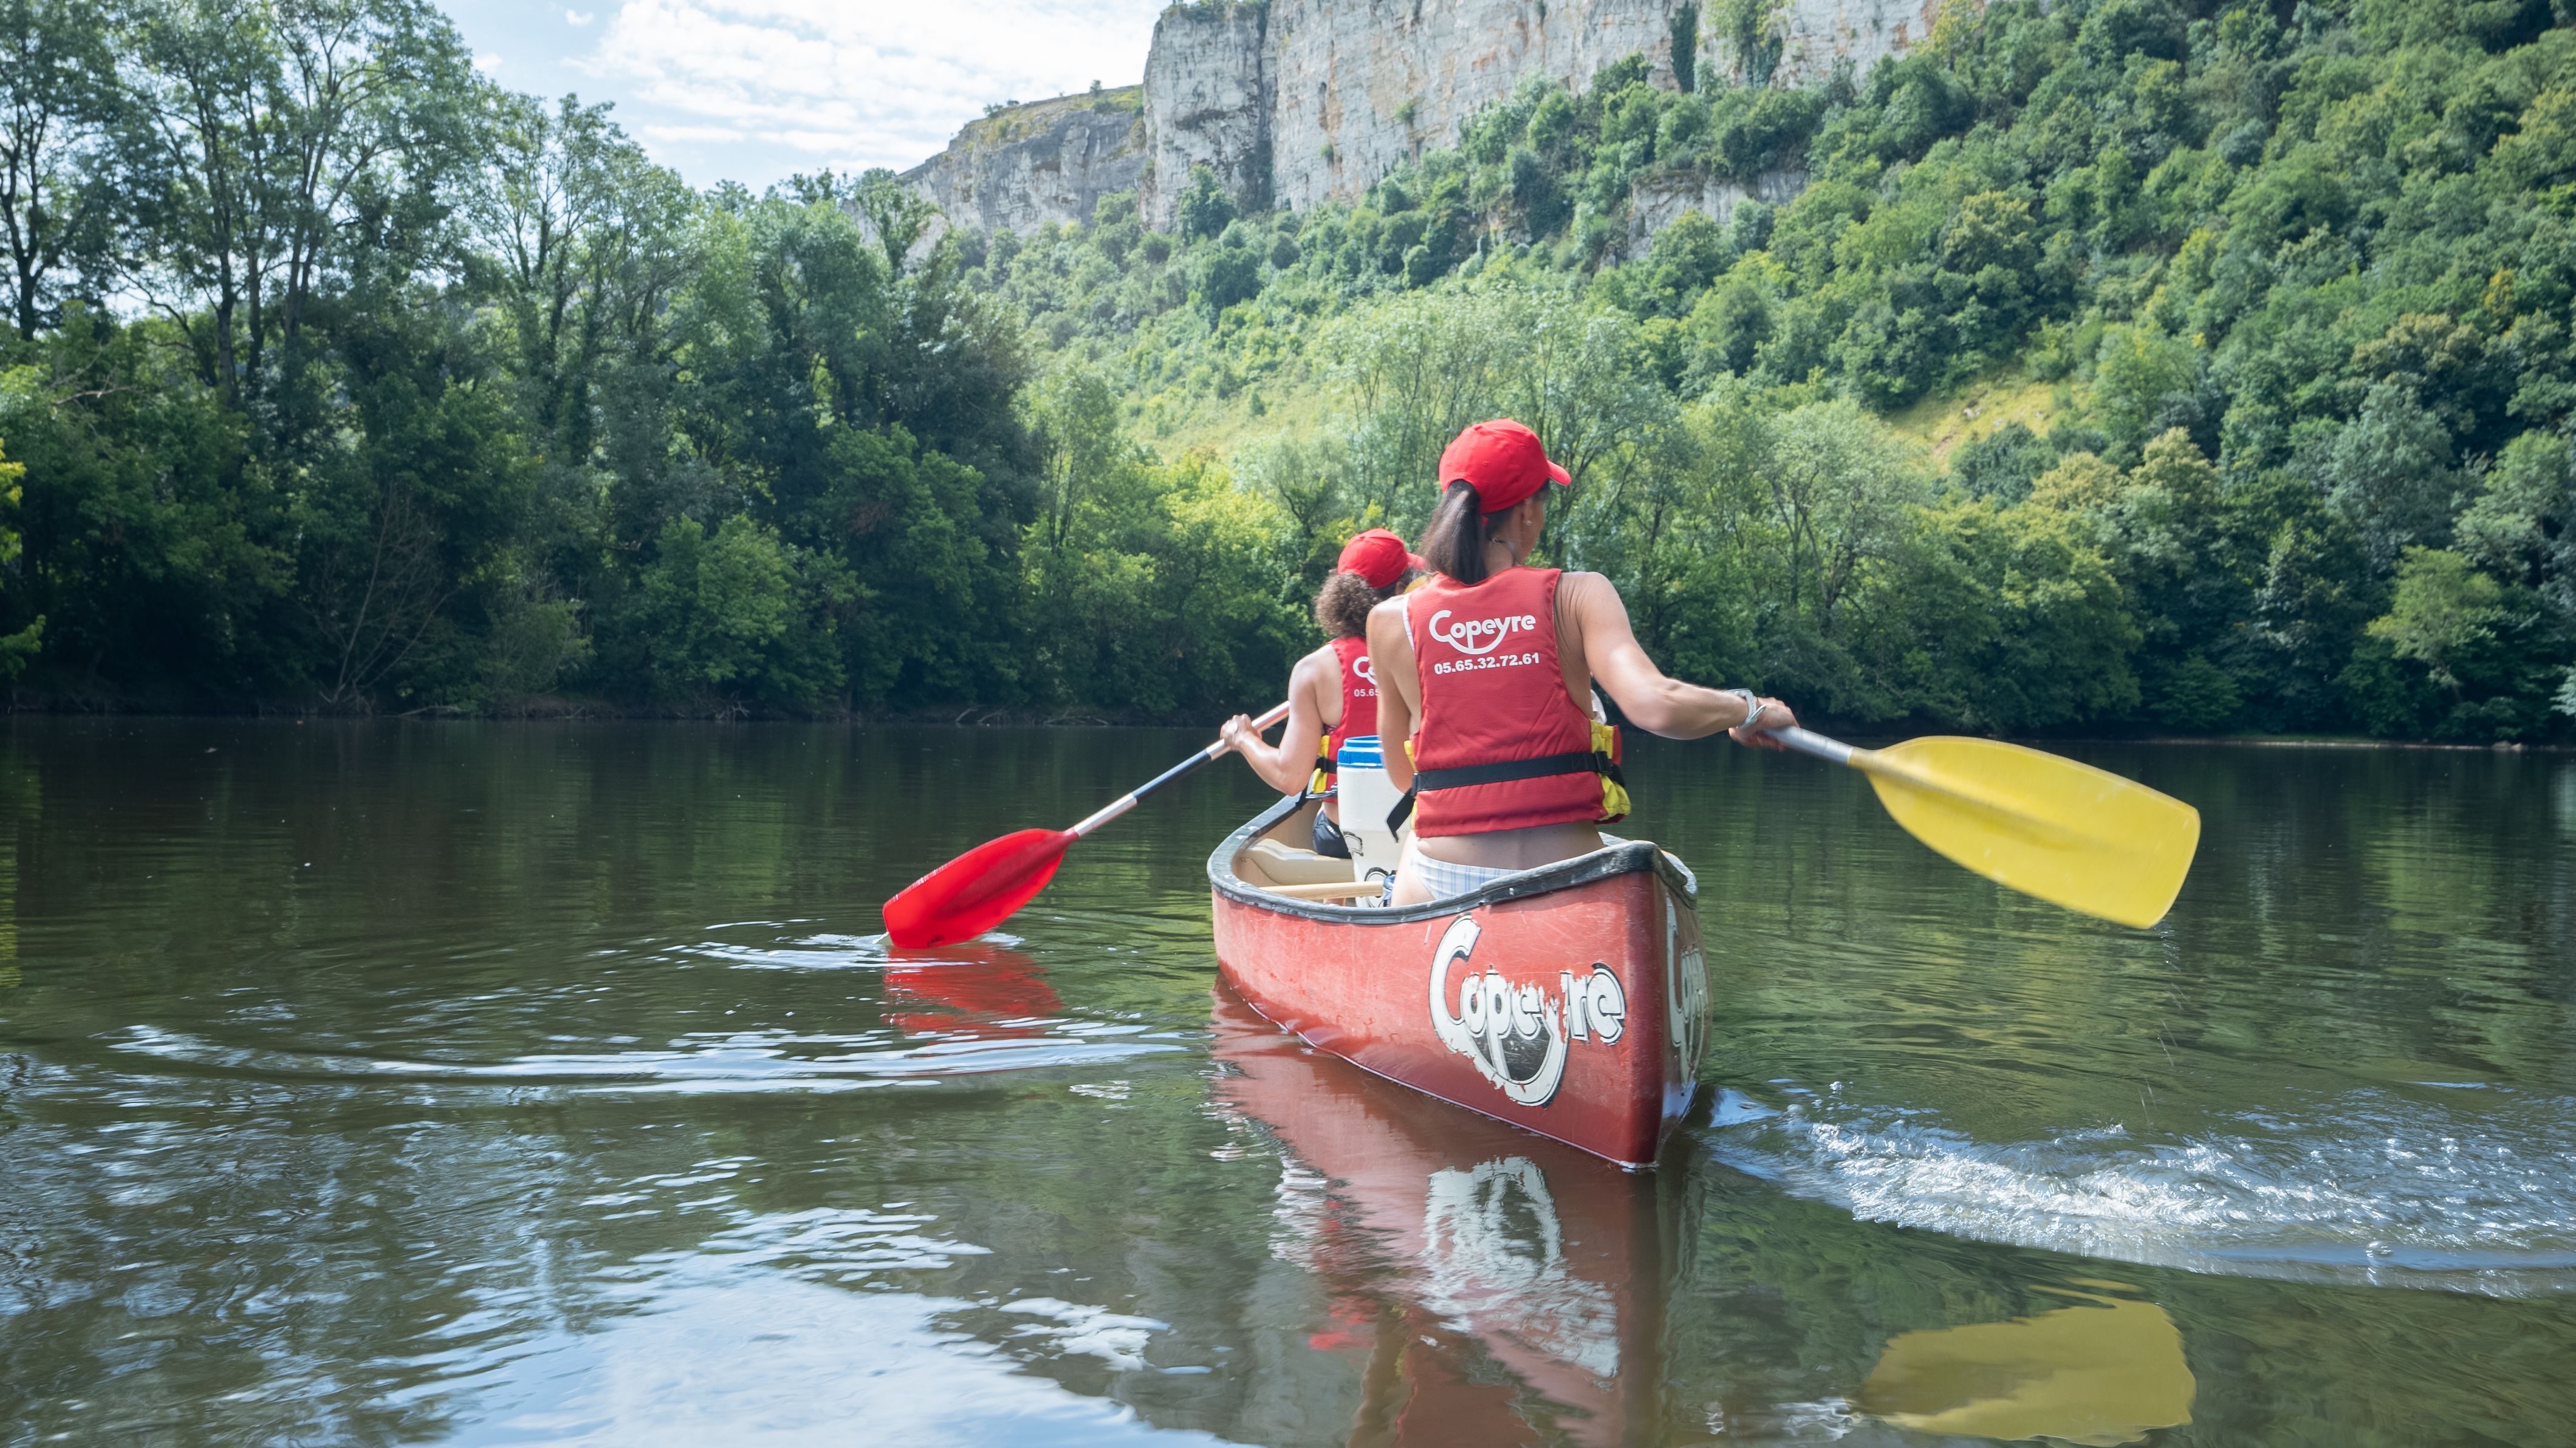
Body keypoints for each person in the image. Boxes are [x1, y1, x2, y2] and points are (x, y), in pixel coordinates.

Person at [1369, 419, 1798, 906]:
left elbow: (1403, 777)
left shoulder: (1390, 621)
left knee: (1406, 860)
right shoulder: (1578, 595)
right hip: (1565, 879)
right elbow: (1656, 706)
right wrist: (1749, 709)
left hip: (1439, 878)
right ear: (1528, 511)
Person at [1220, 528, 1422, 858]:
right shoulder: (1429, 655)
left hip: (1344, 839)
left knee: (1323, 825)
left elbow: (1289, 777)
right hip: (1415, 832)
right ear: (1400, 591)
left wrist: (1243, 739)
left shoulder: (1313, 670)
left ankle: (1336, 903)